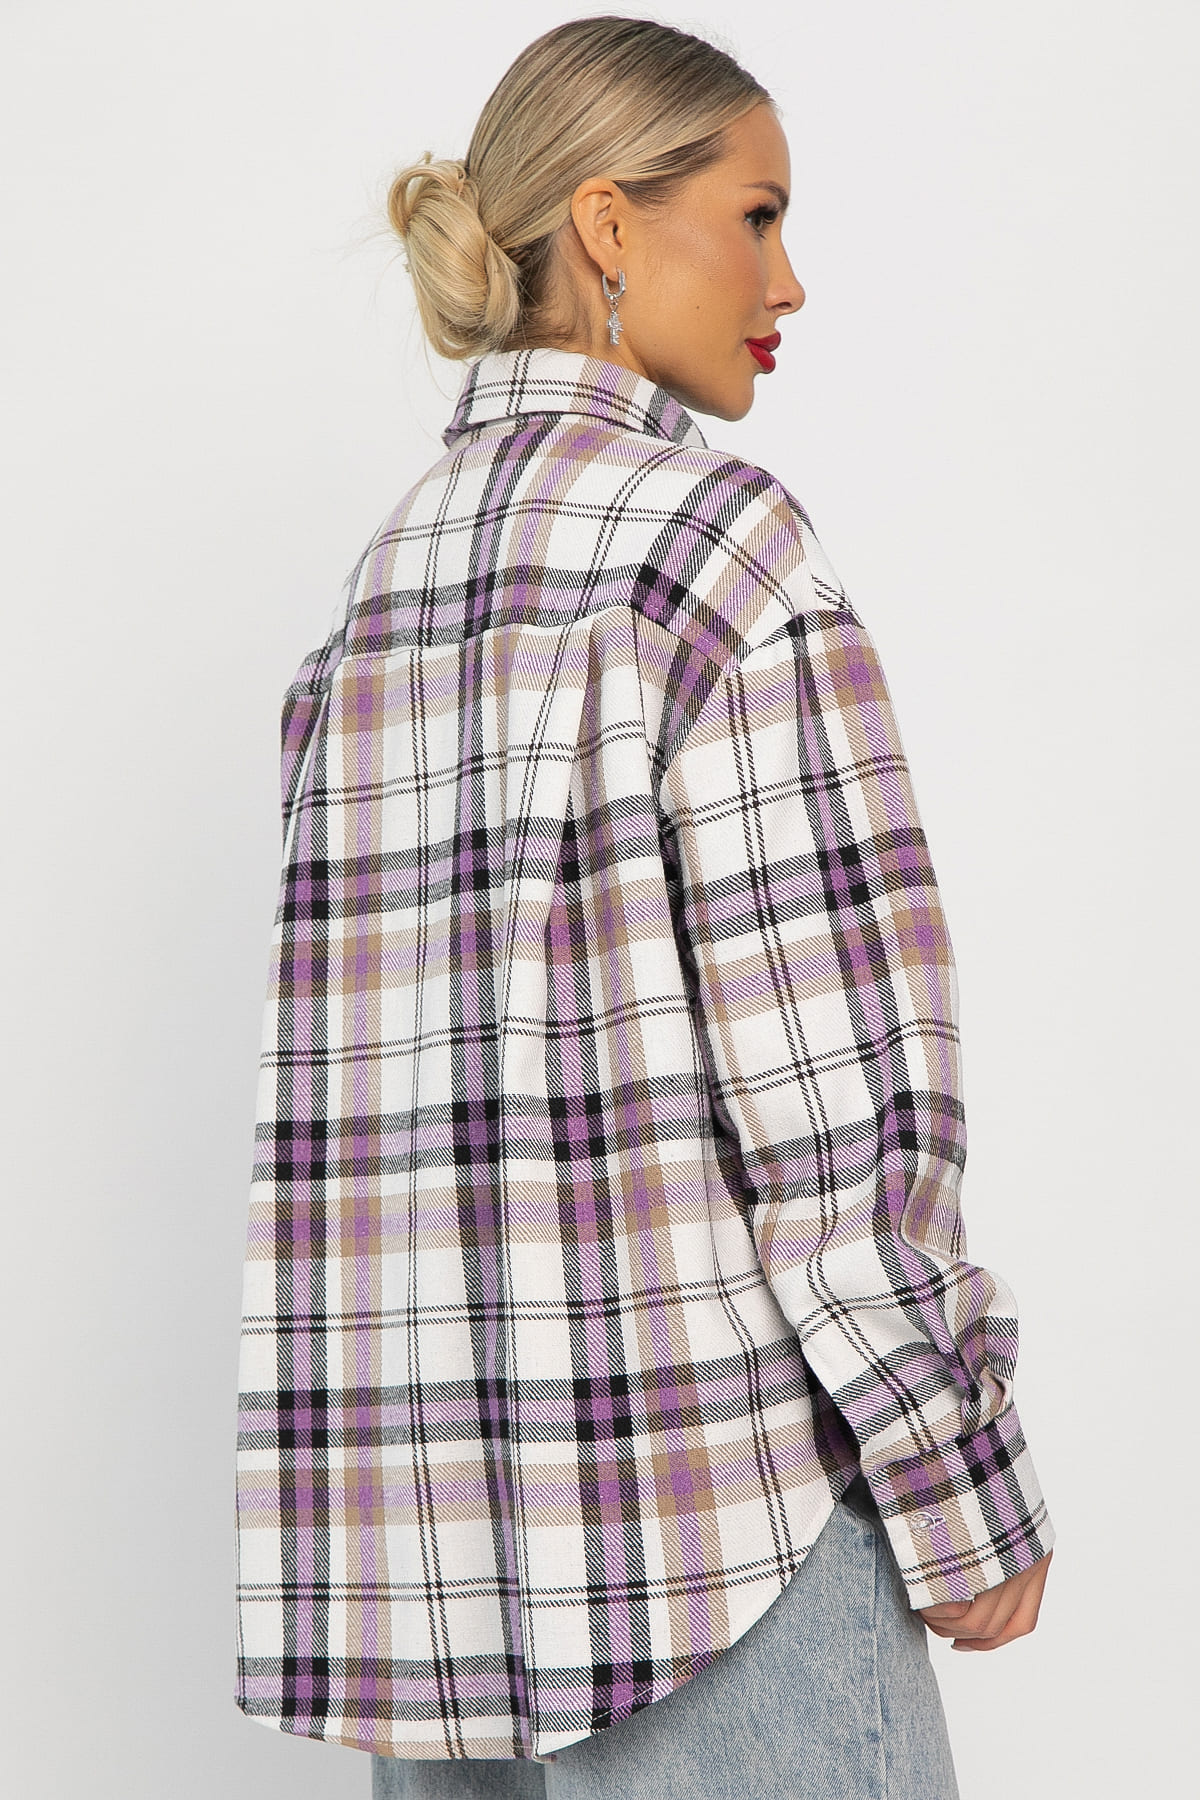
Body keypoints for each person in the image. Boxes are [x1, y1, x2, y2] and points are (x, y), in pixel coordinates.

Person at [234, 16, 1054, 1798]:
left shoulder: (379, 594)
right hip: (716, 1547)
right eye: (757, 215)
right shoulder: (716, 547)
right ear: (607, 225)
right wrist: (956, 1473)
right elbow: (832, 1098)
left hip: (440, 1588)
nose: (789, 280)